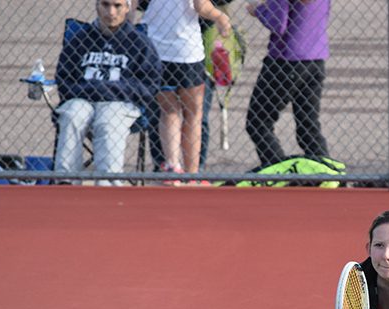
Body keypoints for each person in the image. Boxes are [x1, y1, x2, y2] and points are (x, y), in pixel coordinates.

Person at [53, 0, 162, 185]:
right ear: (97, 6)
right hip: (82, 100)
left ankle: (108, 185)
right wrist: (89, 91)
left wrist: (110, 91)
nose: (111, 12)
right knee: (72, 115)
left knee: (108, 121)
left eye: (117, 6)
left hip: (121, 103)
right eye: (105, 4)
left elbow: (150, 84)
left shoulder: (140, 42)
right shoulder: (80, 39)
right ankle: (65, 182)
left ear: (127, 8)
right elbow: (64, 79)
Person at [142, 0, 231, 183]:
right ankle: (192, 175)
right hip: (186, 51)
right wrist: (220, 16)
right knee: (193, 114)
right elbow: (201, 6)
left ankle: (172, 167)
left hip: (156, 48)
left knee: (169, 111)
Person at [244, 0, 330, 167]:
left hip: (285, 61)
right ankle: (325, 170)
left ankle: (277, 169)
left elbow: (278, 23)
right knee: (308, 125)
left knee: (258, 121)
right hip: (316, 57)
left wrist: (258, 10)